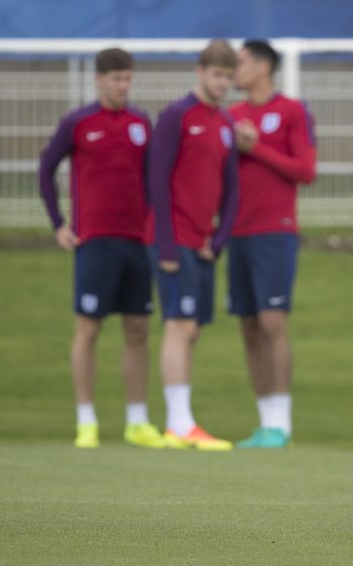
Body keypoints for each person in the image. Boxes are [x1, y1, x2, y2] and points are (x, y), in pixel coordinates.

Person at [38, 48, 164, 450]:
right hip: (95, 242)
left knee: (139, 329)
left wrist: (154, 229)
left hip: (137, 243)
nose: (123, 86)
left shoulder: (141, 123)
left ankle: (137, 420)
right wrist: (59, 224)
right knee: (89, 329)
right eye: (116, 79)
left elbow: (153, 181)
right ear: (100, 79)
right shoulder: (79, 122)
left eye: (128, 78)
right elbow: (46, 168)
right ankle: (86, 420)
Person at [148, 40, 240, 451]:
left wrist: (218, 240)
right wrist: (166, 246)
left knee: (193, 331)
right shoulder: (176, 115)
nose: (223, 84)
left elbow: (232, 190)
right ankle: (179, 424)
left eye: (229, 77)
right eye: (218, 75)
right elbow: (156, 180)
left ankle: (181, 421)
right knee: (178, 326)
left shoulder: (224, 123)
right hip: (173, 240)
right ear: (200, 72)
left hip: (202, 244)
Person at [228, 39, 317, 448]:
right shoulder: (231, 115)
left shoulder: (291, 111)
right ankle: (264, 422)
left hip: (275, 231)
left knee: (272, 322)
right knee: (248, 327)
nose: (234, 70)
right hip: (238, 233)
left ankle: (283, 422)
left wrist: (256, 149)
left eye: (241, 62)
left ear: (263, 67)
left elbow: (306, 170)